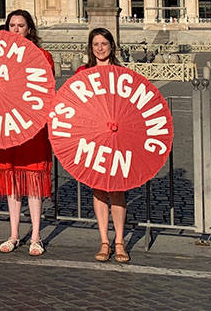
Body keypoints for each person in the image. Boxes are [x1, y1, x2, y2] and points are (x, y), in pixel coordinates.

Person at [0, 10, 54, 255]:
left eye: (21, 25)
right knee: (12, 182)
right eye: (12, 25)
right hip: (7, 125)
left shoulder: (43, 57)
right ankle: (14, 234)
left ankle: (37, 236)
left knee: (33, 181)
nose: (16, 29)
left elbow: (46, 89)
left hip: (33, 126)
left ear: (30, 29)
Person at [82, 27, 130, 264]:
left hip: (117, 138)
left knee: (117, 189)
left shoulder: (122, 73)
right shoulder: (84, 73)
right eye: (95, 44)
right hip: (94, 138)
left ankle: (119, 241)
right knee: (99, 188)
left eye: (104, 43)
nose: (100, 48)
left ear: (112, 45)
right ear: (91, 48)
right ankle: (104, 240)